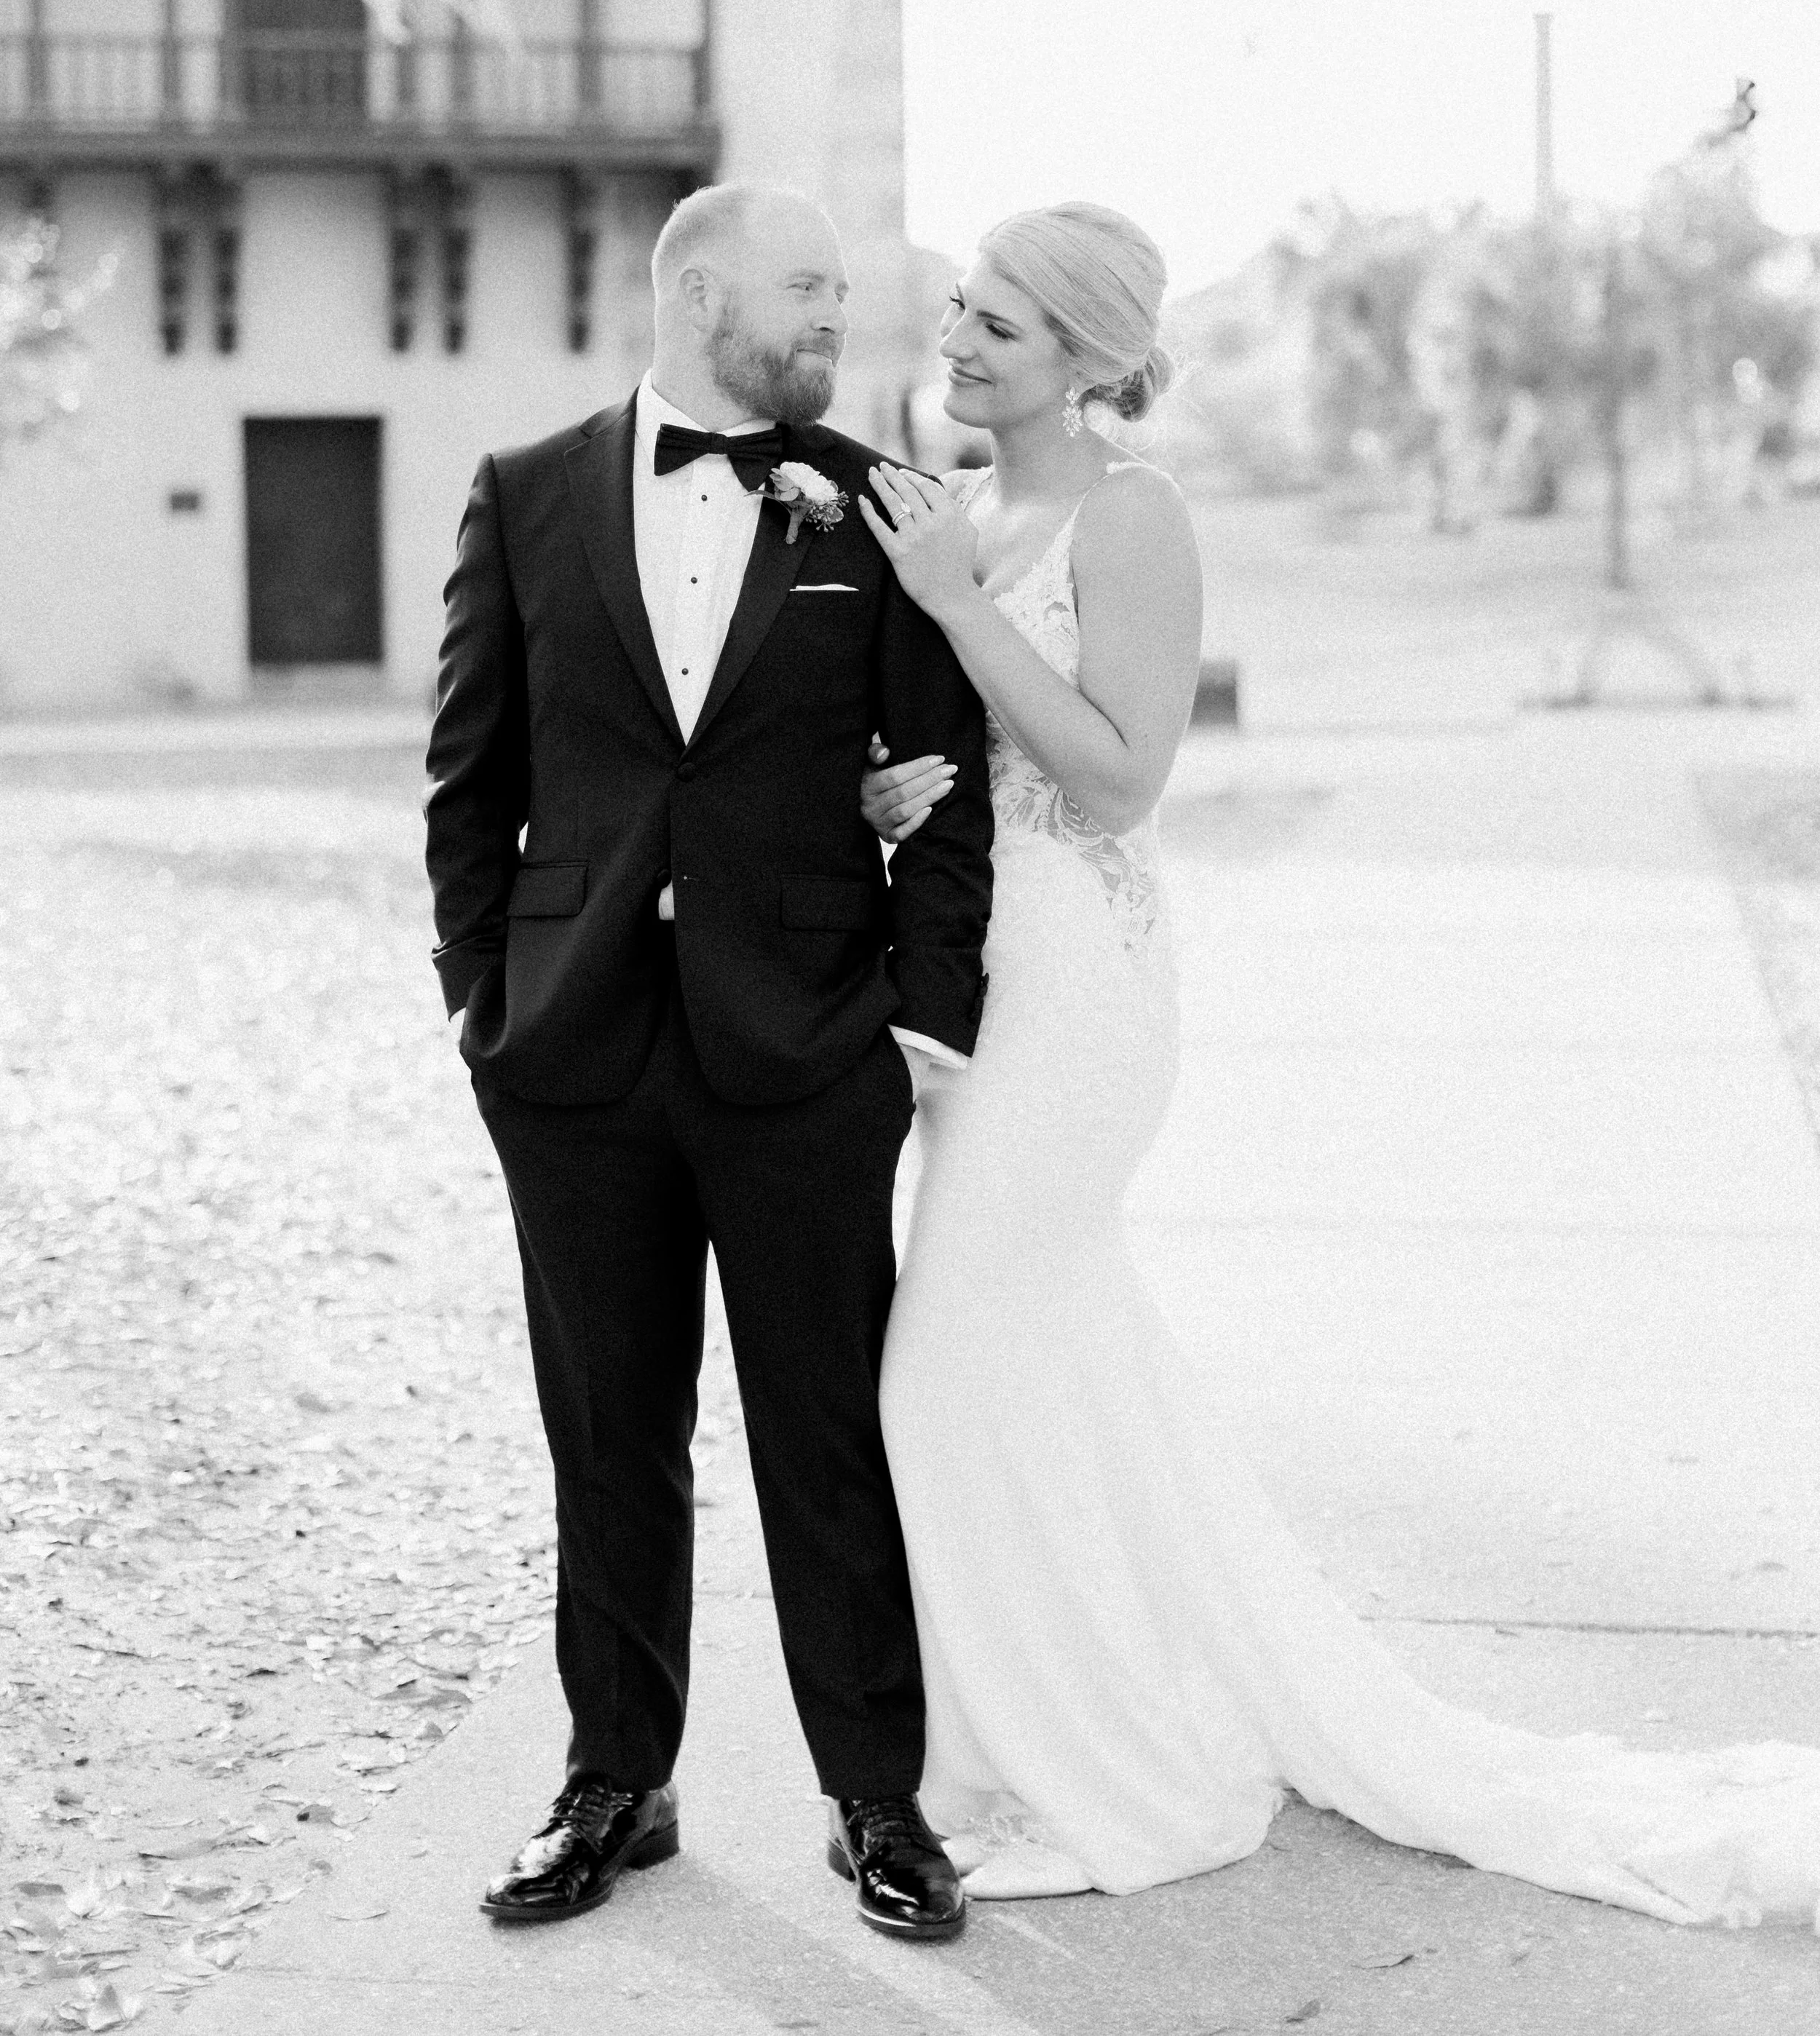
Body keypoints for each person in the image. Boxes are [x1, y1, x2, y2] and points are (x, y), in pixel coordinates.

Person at [857, 197, 1820, 1920]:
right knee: (1055, 1369)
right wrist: (891, 792)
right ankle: (1063, 1728)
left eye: (995, 323)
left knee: (942, 1377)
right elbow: (972, 760)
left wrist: (951, 609)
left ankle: (1101, 1778)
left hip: (1075, 1001)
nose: (955, 341)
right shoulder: (974, 513)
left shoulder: (1127, 517)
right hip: (965, 998)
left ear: (1082, 360)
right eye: (958, 311)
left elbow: (1117, 779)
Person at [424, 182, 993, 1941]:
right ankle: (617, 1779)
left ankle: (874, 1800)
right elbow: (470, 777)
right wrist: (481, 1012)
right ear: (693, 290)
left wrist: (915, 1025)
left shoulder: (881, 501)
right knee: (607, 1430)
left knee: (826, 1428)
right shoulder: (524, 496)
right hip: (573, 1049)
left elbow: (944, 784)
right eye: (807, 286)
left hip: (808, 1044)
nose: (841, 310)